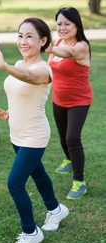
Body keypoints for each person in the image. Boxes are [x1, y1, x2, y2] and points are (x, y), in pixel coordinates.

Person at [0, 18, 69, 243]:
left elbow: (29, 78)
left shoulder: (43, 69)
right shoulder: (20, 63)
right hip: (17, 133)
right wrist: (9, 113)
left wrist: (4, 67)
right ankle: (55, 209)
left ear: (42, 41)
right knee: (38, 174)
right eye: (20, 35)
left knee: (15, 183)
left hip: (35, 135)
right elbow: (23, 94)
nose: (23, 41)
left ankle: (31, 232)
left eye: (30, 36)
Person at [47, 7, 93, 200]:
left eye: (67, 23)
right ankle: (68, 159)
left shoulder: (81, 46)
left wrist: (49, 48)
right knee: (63, 137)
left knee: (73, 137)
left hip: (79, 100)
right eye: (59, 24)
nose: (62, 27)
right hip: (59, 98)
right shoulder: (57, 41)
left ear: (76, 25)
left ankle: (79, 182)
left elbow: (69, 53)